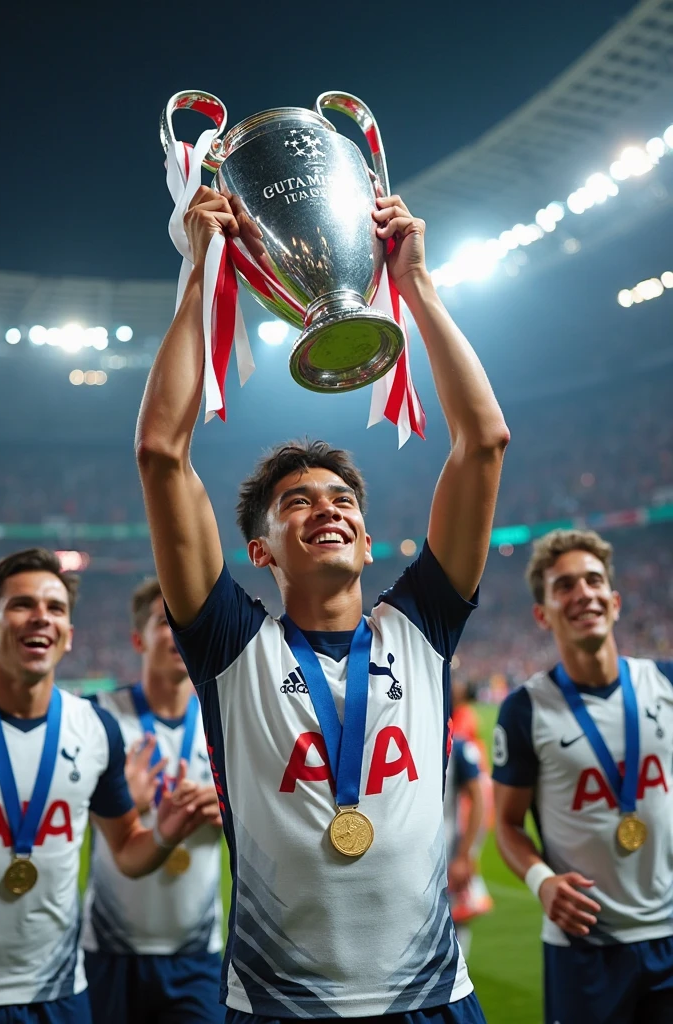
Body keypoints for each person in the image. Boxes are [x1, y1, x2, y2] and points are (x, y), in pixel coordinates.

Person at [136, 184, 509, 1022]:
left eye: (344, 499)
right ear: (260, 551)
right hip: (281, 1006)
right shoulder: (231, 646)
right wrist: (199, 272)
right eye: (298, 503)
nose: (328, 508)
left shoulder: (419, 625)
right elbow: (162, 452)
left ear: (371, 541)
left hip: (434, 999)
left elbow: (482, 442)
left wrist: (418, 287)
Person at [0, 548, 217, 1024]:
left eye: (55, 608)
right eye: (22, 604)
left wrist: (169, 829)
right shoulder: (109, 717)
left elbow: (129, 849)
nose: (41, 618)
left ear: (70, 634)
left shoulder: (93, 728)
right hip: (103, 952)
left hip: (64, 989)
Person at [492, 529, 673, 1024]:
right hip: (584, 945)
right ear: (542, 613)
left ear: (614, 601)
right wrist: (541, 882)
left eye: (593, 581)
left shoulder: (664, 683)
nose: (583, 593)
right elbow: (505, 824)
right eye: (564, 586)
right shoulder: (525, 709)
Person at [82, 577, 225, 1024]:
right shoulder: (96, 716)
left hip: (196, 952)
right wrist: (114, 798)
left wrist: (232, 810)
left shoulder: (225, 720)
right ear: (137, 638)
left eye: (185, 623)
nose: (177, 632)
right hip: (108, 949)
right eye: (165, 622)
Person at [443, 738, 491, 958]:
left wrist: (464, 856)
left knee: (456, 936)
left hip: (448, 857)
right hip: (414, 859)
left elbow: (479, 800)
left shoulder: (458, 747)